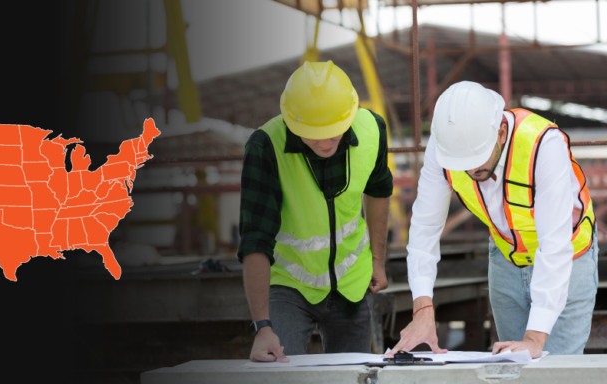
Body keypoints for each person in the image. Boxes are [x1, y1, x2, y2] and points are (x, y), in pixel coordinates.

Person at [387, 81, 598, 358]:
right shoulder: (445, 149)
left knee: (556, 371)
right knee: (513, 368)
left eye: (477, 158)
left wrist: (535, 338)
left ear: (500, 132)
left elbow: (554, 245)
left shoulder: (543, 144)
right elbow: (425, 227)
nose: (469, 169)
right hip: (506, 259)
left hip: (568, 259)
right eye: (461, 163)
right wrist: (423, 309)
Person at [239, 60, 393, 362]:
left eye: (333, 131)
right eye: (313, 133)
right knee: (278, 375)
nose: (324, 141)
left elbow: (379, 191)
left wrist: (377, 260)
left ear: (348, 115)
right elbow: (255, 238)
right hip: (290, 284)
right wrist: (262, 326)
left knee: (353, 378)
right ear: (292, 119)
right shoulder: (265, 146)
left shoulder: (372, 129)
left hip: (352, 281)